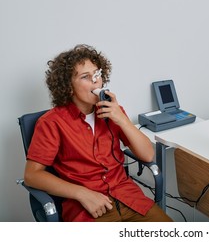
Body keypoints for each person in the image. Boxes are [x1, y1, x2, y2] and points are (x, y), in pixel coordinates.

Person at [24, 44, 172, 222]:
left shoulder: (114, 112)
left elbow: (148, 155)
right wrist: (82, 193)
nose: (95, 81)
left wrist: (122, 119)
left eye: (97, 74)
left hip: (129, 199)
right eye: (86, 77)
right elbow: (32, 175)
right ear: (68, 87)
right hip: (88, 210)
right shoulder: (52, 123)